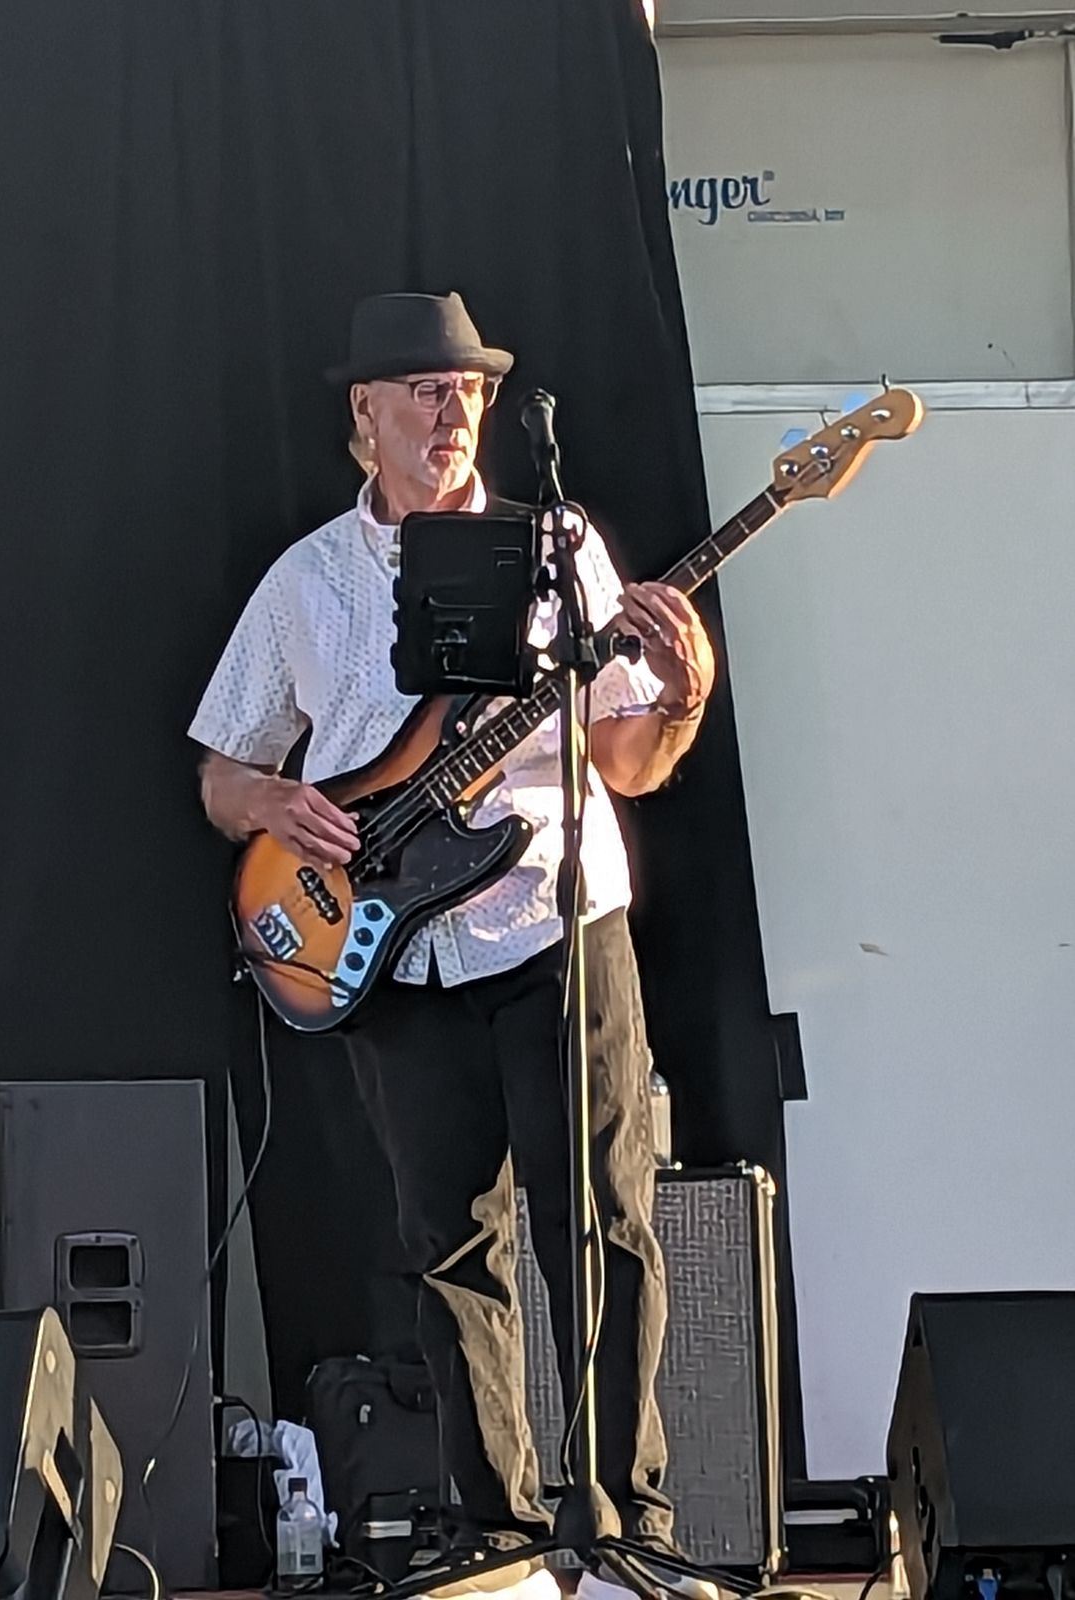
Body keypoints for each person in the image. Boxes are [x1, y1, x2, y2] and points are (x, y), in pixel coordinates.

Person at [190, 293, 718, 1600]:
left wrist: (683, 691)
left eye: (468, 390)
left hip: (550, 915)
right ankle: (498, 1530)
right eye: (423, 391)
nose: (451, 413)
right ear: (362, 414)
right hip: (391, 949)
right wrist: (275, 805)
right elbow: (221, 771)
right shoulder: (307, 582)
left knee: (600, 1225)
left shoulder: (556, 545)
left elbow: (625, 762)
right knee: (446, 1244)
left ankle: (625, 1521)